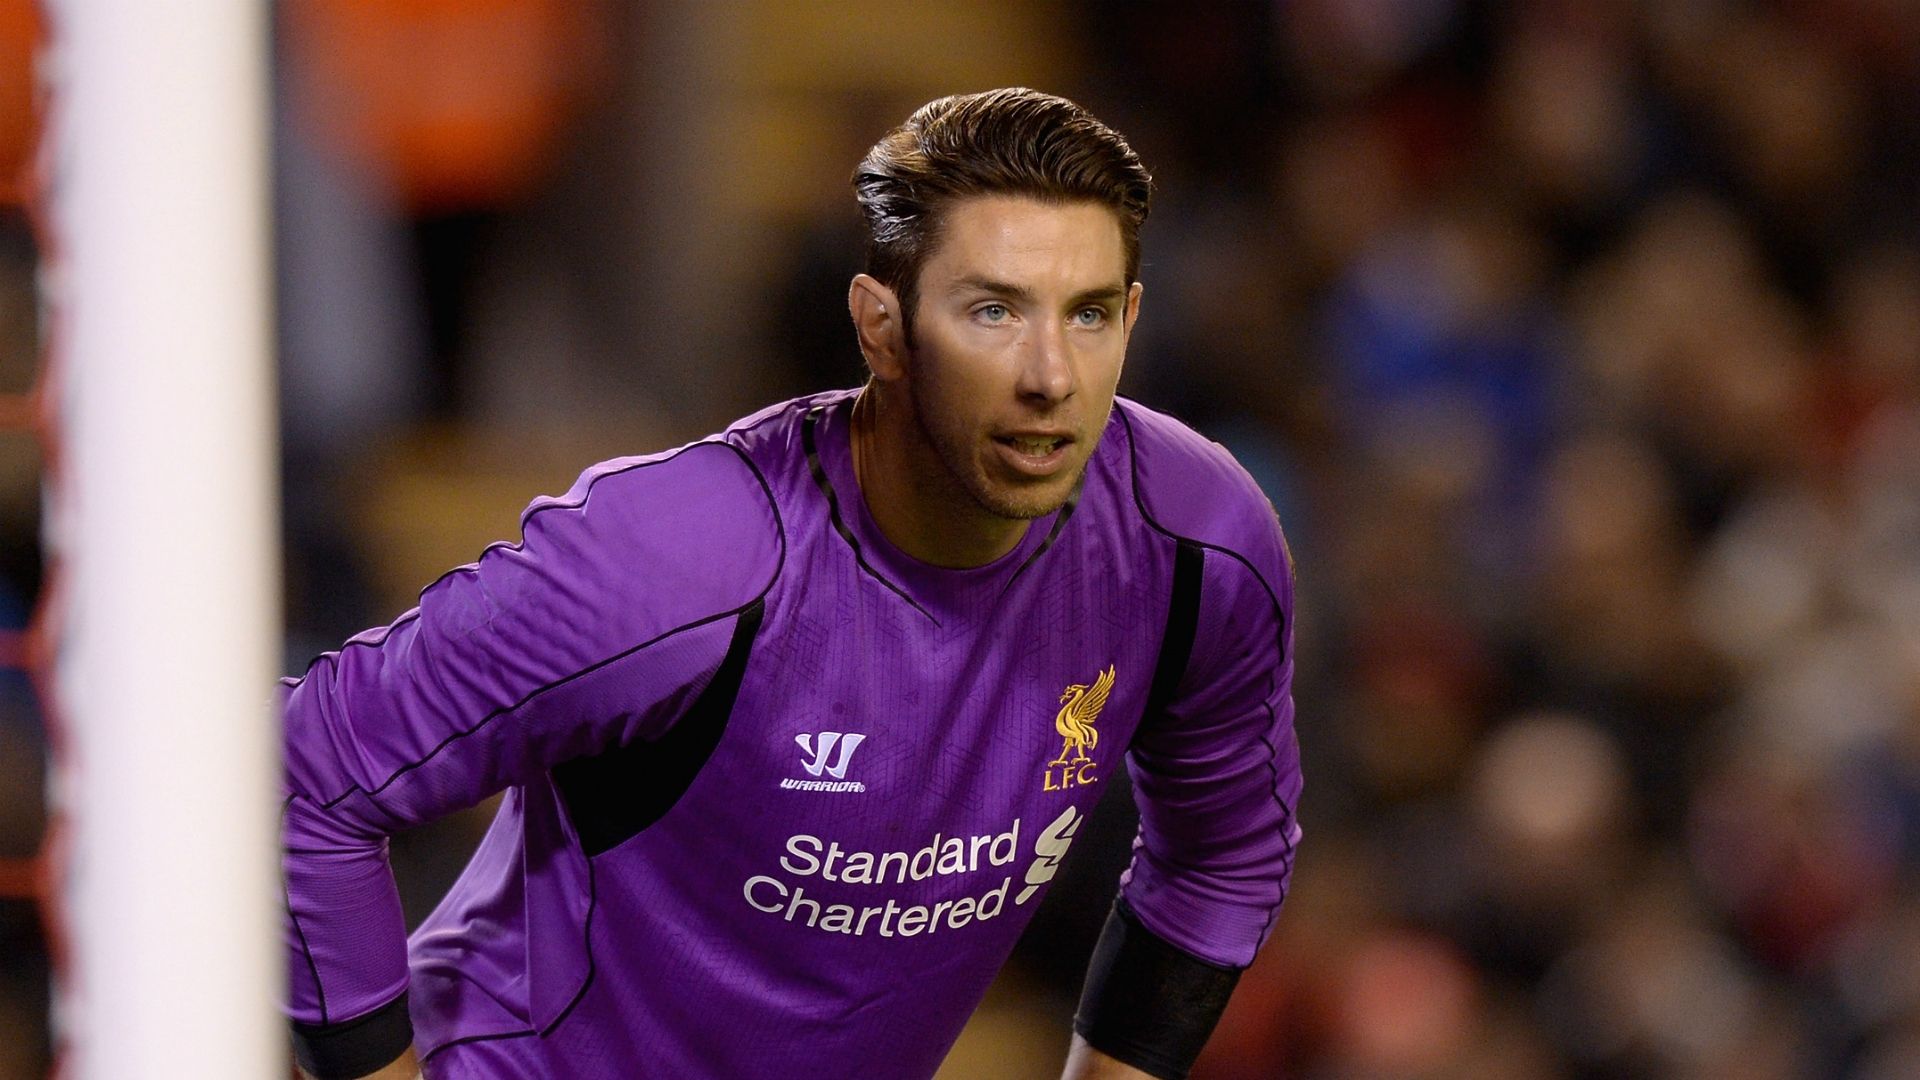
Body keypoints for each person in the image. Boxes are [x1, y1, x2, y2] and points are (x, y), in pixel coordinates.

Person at [282, 87, 1302, 1080]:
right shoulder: (681, 563)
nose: (1050, 376)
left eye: (1087, 317)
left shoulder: (1193, 543)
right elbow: (307, 771)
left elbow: (1226, 850)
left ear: (1132, 317)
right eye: (992, 310)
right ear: (882, 326)